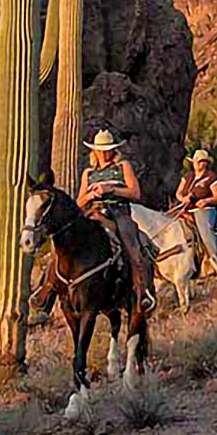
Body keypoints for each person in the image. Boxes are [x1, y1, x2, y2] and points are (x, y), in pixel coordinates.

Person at [77, 129, 157, 314]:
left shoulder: (123, 166)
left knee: (131, 244)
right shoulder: (88, 173)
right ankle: (48, 290)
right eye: (101, 150)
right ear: (95, 151)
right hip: (94, 211)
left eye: (108, 149)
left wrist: (111, 189)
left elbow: (135, 193)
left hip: (118, 212)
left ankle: (142, 289)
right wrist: (91, 194)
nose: (104, 153)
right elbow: (79, 202)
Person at [174, 149, 217, 276]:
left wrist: (206, 201)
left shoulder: (211, 177)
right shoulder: (187, 177)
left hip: (204, 209)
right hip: (185, 209)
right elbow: (178, 193)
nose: (200, 164)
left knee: (204, 228)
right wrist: (182, 199)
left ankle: (214, 259)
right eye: (198, 161)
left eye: (203, 162)